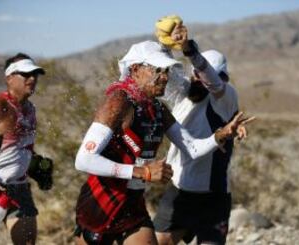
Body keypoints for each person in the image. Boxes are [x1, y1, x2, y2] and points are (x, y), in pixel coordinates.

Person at [73, 40, 252, 245]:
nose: (165, 77)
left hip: (134, 203)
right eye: (158, 70)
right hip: (102, 201)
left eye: (167, 70)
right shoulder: (118, 101)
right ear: (136, 69)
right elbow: (84, 159)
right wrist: (142, 172)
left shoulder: (157, 109)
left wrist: (218, 136)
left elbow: (192, 148)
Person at [153, 18, 253, 245]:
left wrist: (189, 49)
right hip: (179, 190)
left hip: (214, 196)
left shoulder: (226, 96)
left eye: (203, 76)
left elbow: (212, 81)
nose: (198, 80)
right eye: (195, 75)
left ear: (223, 78)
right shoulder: (183, 93)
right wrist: (166, 44)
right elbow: (163, 68)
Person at [0, 53, 45, 245]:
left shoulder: (30, 109)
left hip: (19, 187)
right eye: (25, 74)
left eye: (35, 74)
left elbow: (20, 147)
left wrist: (36, 165)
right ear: (9, 78)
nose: (32, 79)